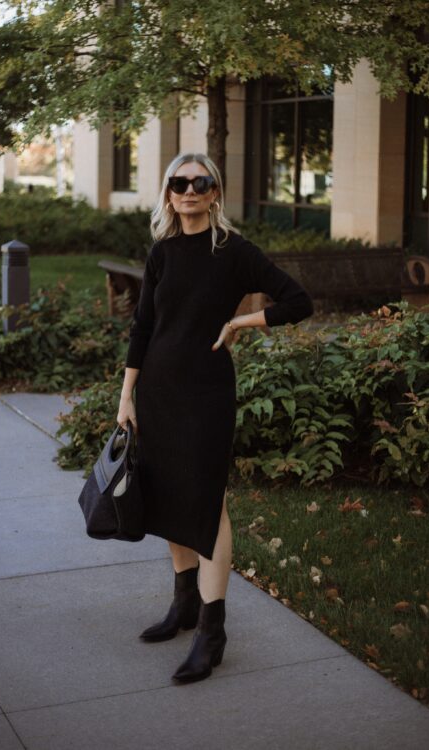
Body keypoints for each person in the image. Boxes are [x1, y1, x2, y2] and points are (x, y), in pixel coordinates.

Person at [116, 152, 313, 684]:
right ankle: (182, 605)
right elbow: (143, 327)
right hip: (157, 391)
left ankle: (212, 630)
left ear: (214, 192)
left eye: (199, 183)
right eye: (178, 183)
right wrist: (126, 396)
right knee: (166, 494)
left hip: (205, 395)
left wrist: (241, 322)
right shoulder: (162, 252)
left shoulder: (234, 252)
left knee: (207, 502)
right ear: (168, 193)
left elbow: (299, 301)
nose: (188, 191)